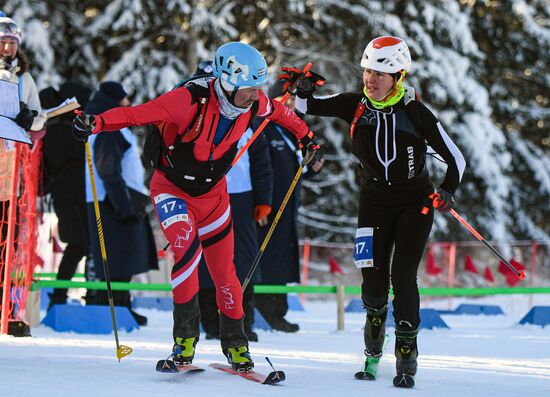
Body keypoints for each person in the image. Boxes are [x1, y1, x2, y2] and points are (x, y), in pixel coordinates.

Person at [72, 42, 321, 372]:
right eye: (247, 89)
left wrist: (308, 139)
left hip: (213, 197)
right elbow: (136, 114)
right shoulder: (188, 99)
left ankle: (235, 344)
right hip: (172, 191)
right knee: (187, 256)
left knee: (226, 275)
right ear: (228, 82)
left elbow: (282, 114)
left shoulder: (252, 102)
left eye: (256, 89)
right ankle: (184, 342)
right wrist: (95, 123)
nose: (253, 97)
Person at [288, 36, 466, 383]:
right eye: (368, 70)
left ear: (399, 76)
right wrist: (304, 88)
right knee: (372, 282)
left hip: (415, 203)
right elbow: (305, 107)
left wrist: (447, 191)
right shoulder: (354, 105)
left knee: (402, 276)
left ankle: (406, 348)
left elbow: (456, 158)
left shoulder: (415, 111)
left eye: (381, 73)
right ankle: (373, 338)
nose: (371, 79)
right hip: (373, 203)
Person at [83, 81, 158, 326]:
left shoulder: (111, 123)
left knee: (124, 258)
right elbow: (107, 169)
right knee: (117, 258)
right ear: (116, 100)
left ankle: (122, 305)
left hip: (117, 199)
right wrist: (123, 205)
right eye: (125, 99)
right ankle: (113, 308)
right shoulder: (109, 126)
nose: (129, 102)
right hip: (113, 201)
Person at [254, 81, 324, 333]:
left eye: (295, 100)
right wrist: (260, 201)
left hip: (287, 207)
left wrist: (311, 169)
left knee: (281, 259)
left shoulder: (293, 131)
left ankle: (277, 311)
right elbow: (261, 169)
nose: (292, 105)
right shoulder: (265, 128)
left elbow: (293, 171)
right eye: (288, 99)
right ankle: (264, 311)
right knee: (267, 259)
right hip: (268, 208)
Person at [199, 127, 272, 343]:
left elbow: (262, 165)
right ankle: (211, 322)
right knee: (208, 258)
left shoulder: (251, 125)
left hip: (242, 197)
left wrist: (263, 201)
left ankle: (243, 322)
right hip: (206, 194)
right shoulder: (205, 119)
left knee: (244, 259)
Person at [0, 16, 46, 329]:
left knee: (8, 236)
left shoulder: (24, 78)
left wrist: (29, 118)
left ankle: (5, 308)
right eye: (3, 42)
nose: (7, 47)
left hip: (10, 166)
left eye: (12, 43)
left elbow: (39, 118)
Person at [39, 82, 92, 310]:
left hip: (69, 196)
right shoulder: (62, 131)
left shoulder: (55, 128)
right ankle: (66, 296)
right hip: (73, 198)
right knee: (81, 245)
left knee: (80, 246)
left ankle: (63, 295)